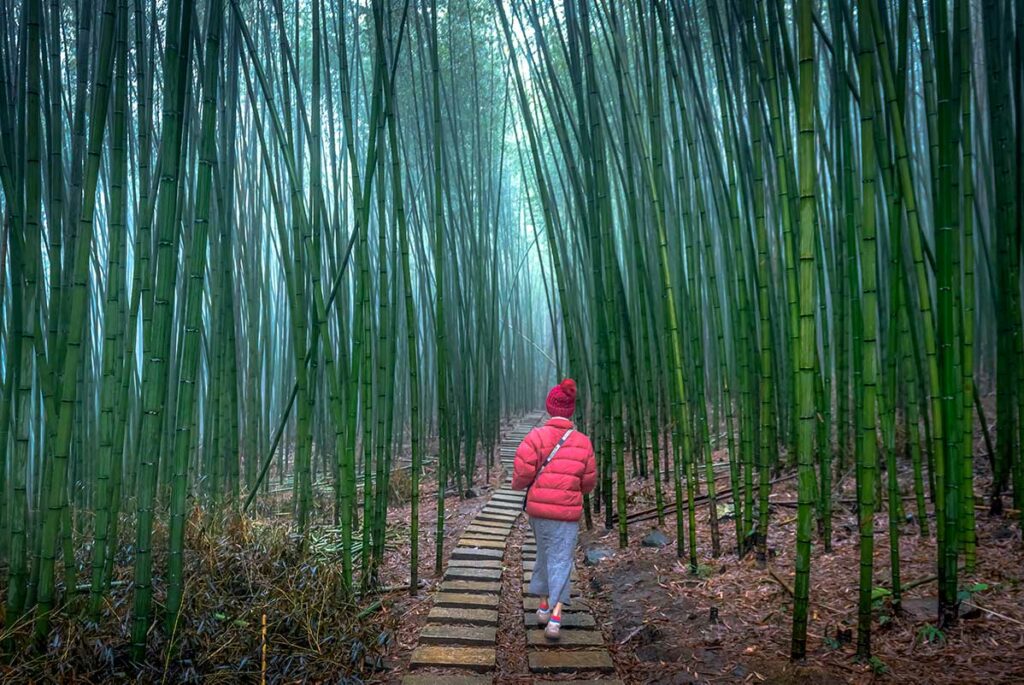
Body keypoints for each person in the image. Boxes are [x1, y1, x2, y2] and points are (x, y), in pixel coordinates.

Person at [511, 378, 596, 640]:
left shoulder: (535, 437)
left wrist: (524, 484)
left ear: (550, 408)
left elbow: (521, 473)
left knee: (545, 555)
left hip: (538, 513)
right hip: (566, 514)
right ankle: (555, 618)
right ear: (570, 410)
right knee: (561, 559)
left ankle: (545, 605)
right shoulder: (583, 442)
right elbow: (588, 483)